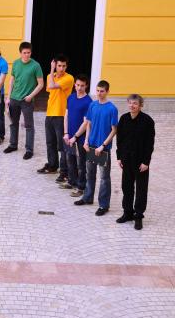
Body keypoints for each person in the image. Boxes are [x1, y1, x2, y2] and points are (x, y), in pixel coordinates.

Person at [74, 80, 118, 216]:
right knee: (90, 173)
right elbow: (89, 124)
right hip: (91, 146)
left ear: (107, 91)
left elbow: (114, 130)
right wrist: (86, 141)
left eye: (102, 91)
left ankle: (104, 205)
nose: (99, 93)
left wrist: (103, 145)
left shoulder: (112, 108)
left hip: (102, 148)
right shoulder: (92, 105)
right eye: (98, 90)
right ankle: (87, 197)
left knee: (104, 178)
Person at [115, 94, 155, 230]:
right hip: (126, 159)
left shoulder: (147, 121)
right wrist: (119, 157)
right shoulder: (124, 119)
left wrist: (146, 162)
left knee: (141, 189)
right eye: (130, 103)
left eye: (135, 104)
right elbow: (119, 139)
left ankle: (138, 216)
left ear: (140, 105)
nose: (132, 106)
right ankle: (127, 213)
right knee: (126, 187)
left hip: (141, 162)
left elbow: (150, 143)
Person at [3, 42, 44, 160]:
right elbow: (12, 81)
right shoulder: (16, 63)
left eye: (28, 53)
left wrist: (31, 96)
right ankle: (13, 145)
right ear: (20, 53)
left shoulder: (36, 65)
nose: (26, 55)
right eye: (24, 53)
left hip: (27, 100)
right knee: (13, 123)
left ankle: (29, 150)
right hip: (14, 99)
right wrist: (8, 97)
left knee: (29, 126)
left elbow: (41, 84)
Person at [38, 55, 74, 177]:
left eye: (64, 66)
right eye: (59, 65)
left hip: (61, 114)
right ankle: (52, 165)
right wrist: (52, 73)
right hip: (49, 113)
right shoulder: (50, 76)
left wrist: (52, 69)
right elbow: (49, 87)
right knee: (50, 142)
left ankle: (64, 171)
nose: (61, 68)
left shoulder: (69, 78)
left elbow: (52, 86)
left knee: (62, 145)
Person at [63, 75, 92, 196]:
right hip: (69, 135)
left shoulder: (88, 102)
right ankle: (72, 181)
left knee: (81, 163)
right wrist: (66, 133)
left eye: (82, 86)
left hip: (80, 137)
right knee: (70, 159)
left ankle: (81, 187)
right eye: (78, 85)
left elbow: (86, 123)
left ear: (86, 86)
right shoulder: (70, 97)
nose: (79, 88)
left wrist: (75, 136)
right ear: (75, 85)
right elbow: (66, 115)